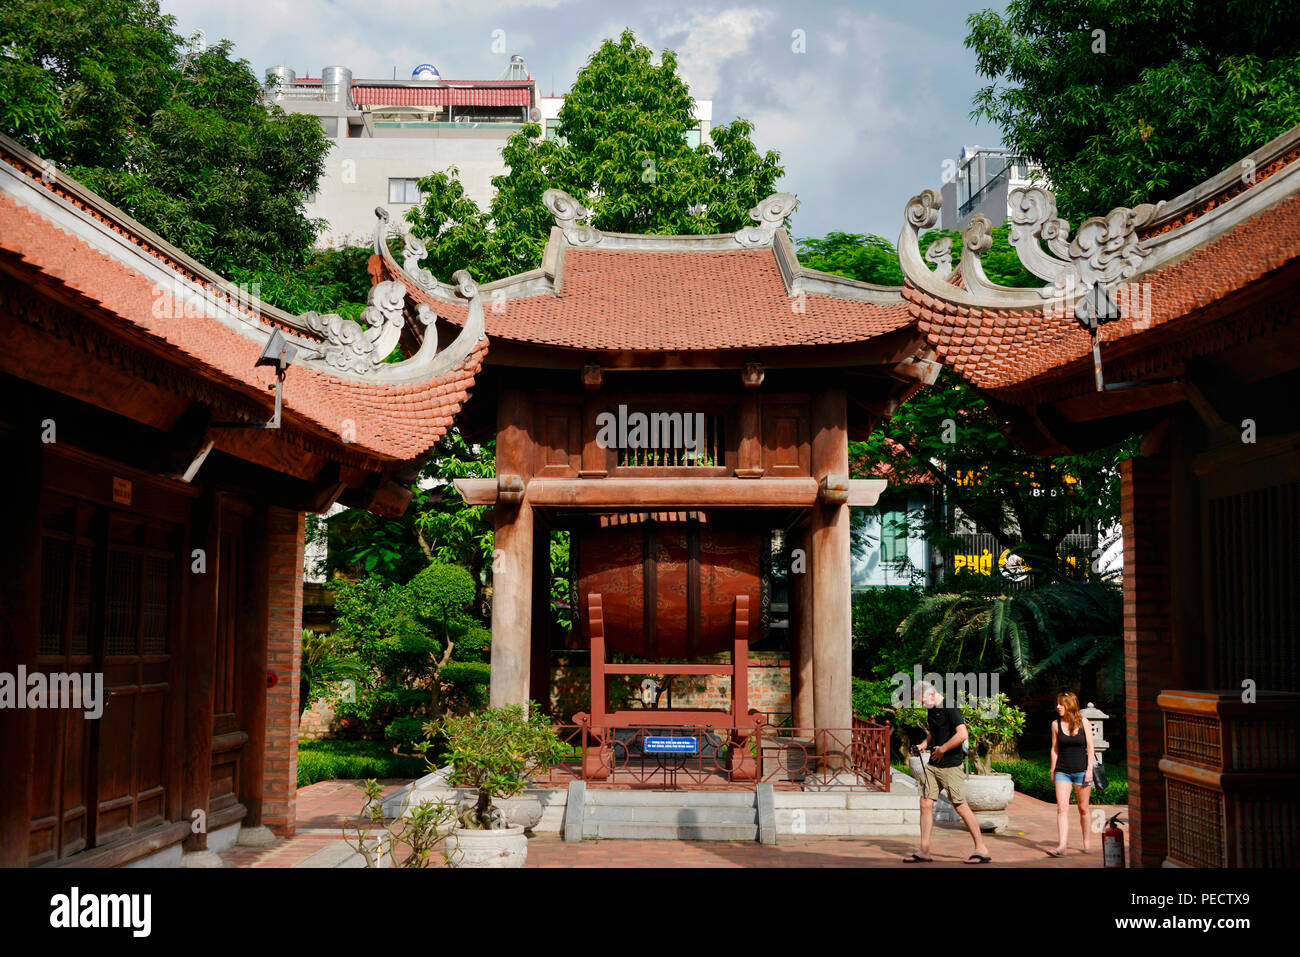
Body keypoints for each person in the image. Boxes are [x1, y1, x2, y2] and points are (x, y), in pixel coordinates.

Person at [903, 680, 993, 864]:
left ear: (932, 694)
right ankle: (924, 850)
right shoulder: (932, 709)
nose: (922, 705)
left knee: (960, 805)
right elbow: (934, 733)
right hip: (933, 765)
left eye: (922, 701)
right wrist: (924, 744)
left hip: (951, 766)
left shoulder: (950, 707)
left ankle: (981, 849)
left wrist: (943, 748)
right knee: (925, 803)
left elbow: (962, 734)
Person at [1046, 691, 1096, 857]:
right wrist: (1053, 769)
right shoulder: (1055, 724)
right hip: (1062, 771)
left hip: (1082, 771)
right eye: (1057, 703)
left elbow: (1090, 747)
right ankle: (1061, 846)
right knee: (1062, 808)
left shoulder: (1084, 722)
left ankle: (1087, 843)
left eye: (1061, 703)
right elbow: (1055, 749)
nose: (1058, 706)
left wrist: (1089, 769)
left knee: (1083, 808)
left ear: (1070, 705)